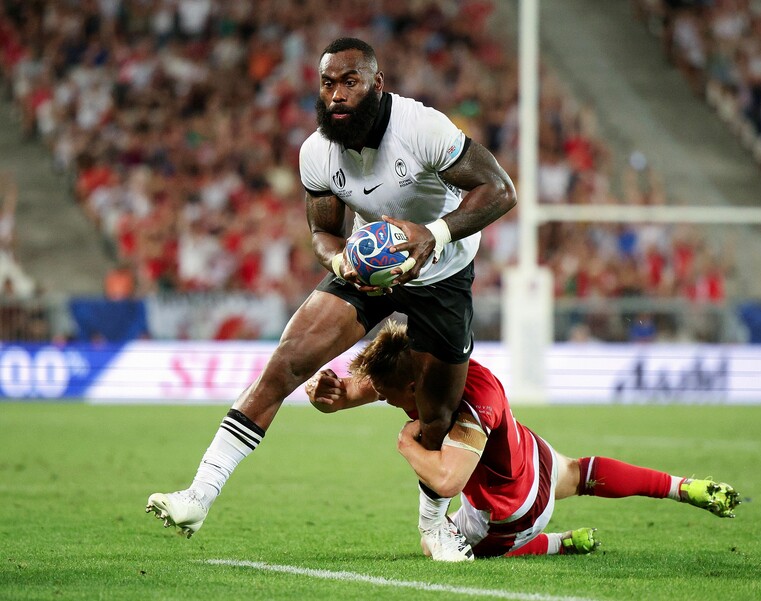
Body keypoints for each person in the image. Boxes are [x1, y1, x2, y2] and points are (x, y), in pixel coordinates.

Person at [146, 37, 517, 549]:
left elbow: (500, 190)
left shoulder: (422, 129)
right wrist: (340, 261)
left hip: (443, 274)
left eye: (350, 82)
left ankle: (435, 526)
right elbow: (323, 232)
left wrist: (433, 234)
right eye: (327, 84)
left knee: (435, 414)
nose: (337, 95)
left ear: (376, 85)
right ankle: (198, 495)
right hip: (368, 267)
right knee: (286, 362)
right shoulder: (316, 153)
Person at [304, 320, 741, 561]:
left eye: (389, 399)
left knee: (433, 541)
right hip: (535, 458)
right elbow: (370, 387)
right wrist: (333, 396)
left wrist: (406, 443)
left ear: (412, 388)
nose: (386, 404)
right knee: (580, 472)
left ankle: (553, 543)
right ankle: (682, 486)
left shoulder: (473, 405)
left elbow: (447, 481)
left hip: (510, 512)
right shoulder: (428, 364)